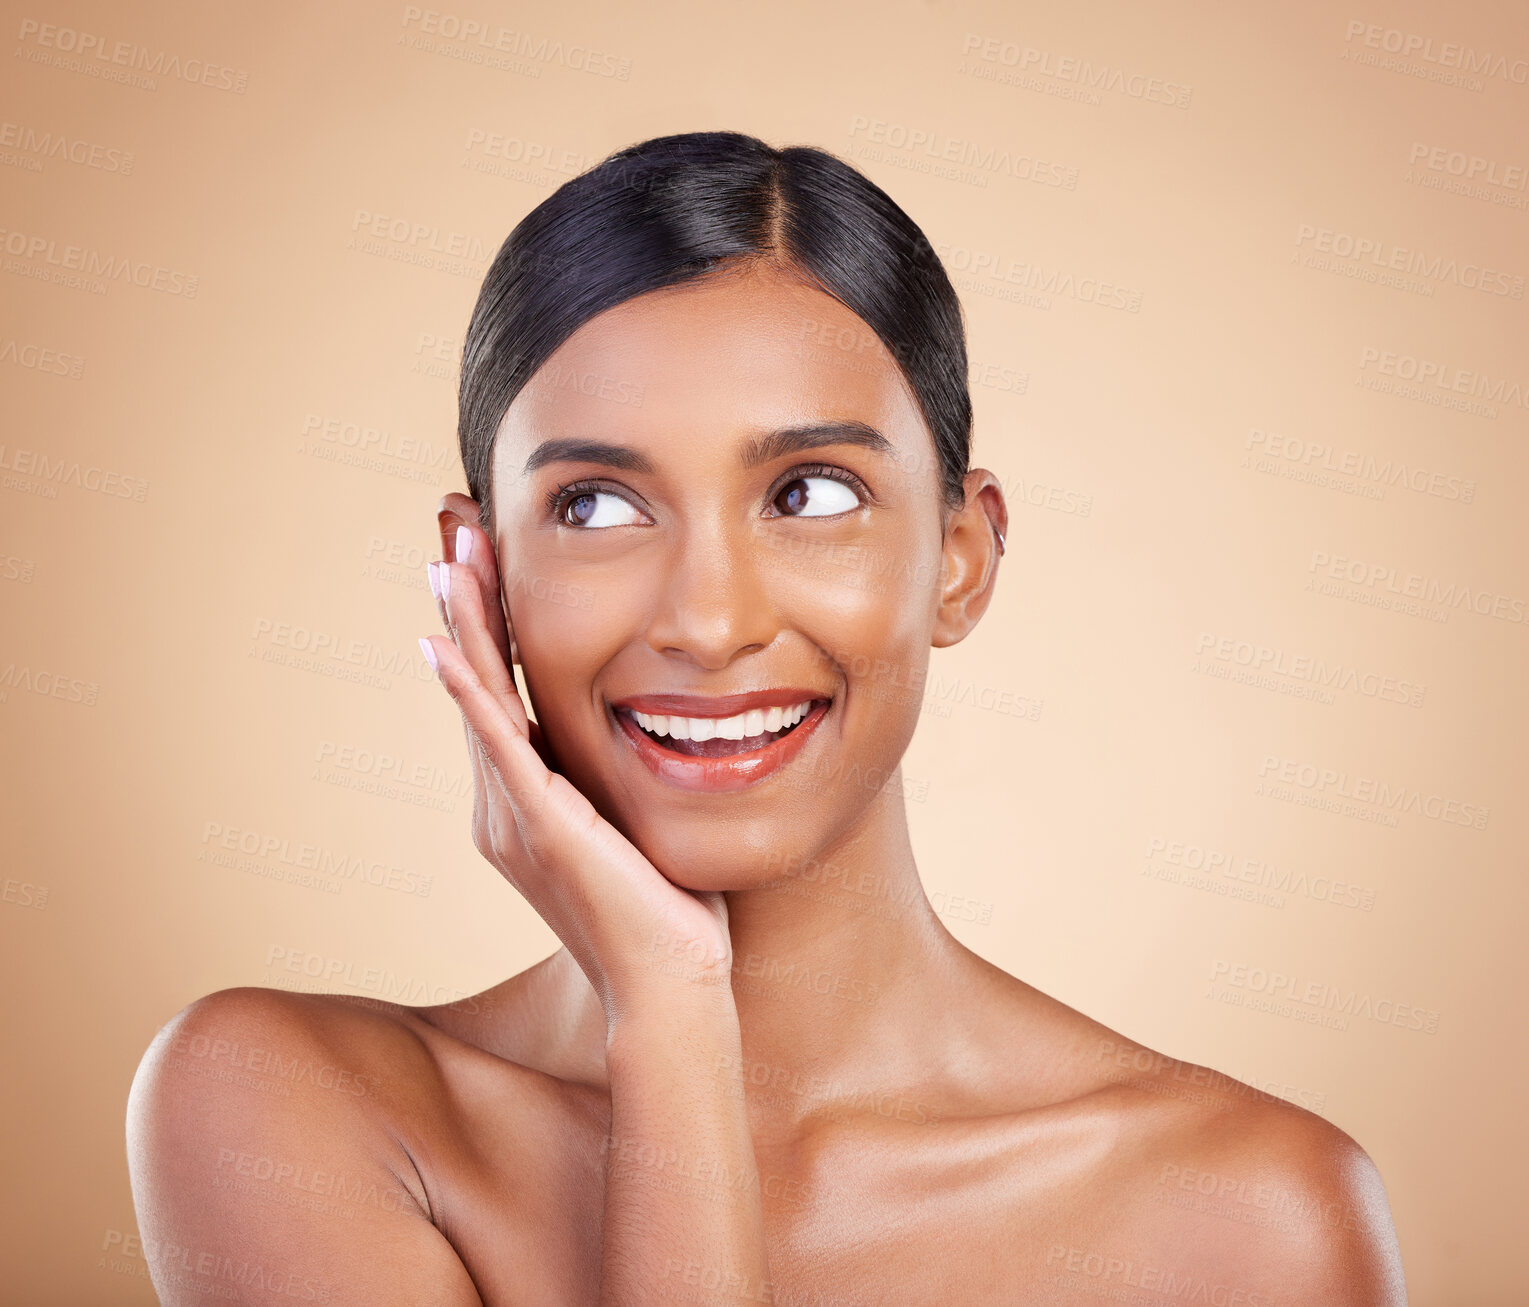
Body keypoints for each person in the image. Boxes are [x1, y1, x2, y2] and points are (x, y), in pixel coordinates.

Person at [126, 130, 1406, 1305]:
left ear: (959, 558)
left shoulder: (1248, 1219)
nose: (709, 620)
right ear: (482, 570)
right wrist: (672, 1012)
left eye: (807, 491)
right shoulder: (288, 1103)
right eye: (594, 506)